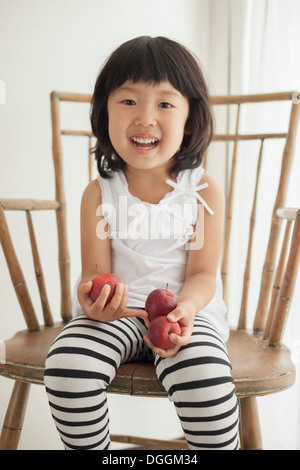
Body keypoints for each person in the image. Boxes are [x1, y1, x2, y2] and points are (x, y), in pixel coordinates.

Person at [44, 36, 239, 450]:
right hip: (118, 315)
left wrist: (185, 310)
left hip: (189, 316)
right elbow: (95, 274)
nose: (145, 118)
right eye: (128, 101)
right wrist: (92, 299)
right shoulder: (99, 193)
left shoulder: (203, 189)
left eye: (165, 104)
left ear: (190, 117)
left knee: (205, 379)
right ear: (104, 113)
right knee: (67, 365)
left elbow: (204, 274)